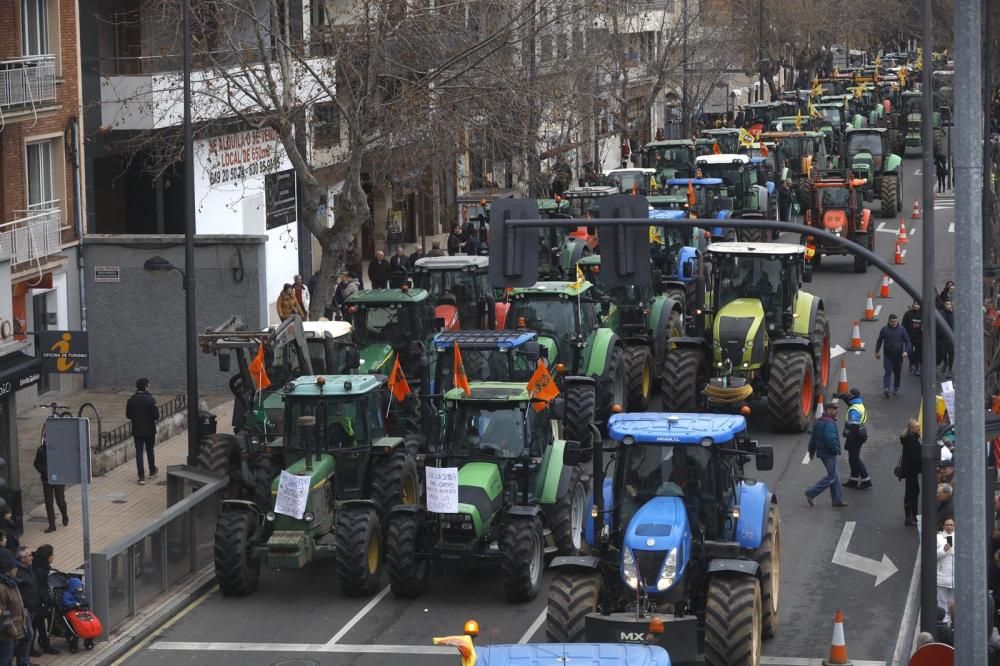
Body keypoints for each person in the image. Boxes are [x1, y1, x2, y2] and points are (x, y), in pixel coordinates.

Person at [805, 402, 848, 508]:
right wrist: (836, 450)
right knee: (832, 476)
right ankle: (811, 492)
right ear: (827, 410)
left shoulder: (819, 422)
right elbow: (830, 439)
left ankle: (837, 500)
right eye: (833, 409)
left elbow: (813, 439)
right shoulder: (829, 423)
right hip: (828, 453)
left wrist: (811, 451)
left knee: (835, 475)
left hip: (823, 452)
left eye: (836, 409)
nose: (836, 411)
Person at [125, 378, 160, 486]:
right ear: (146, 386)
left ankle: (141, 476)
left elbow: (128, 415)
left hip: (137, 430)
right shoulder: (151, 400)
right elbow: (156, 416)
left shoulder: (131, 400)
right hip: (149, 430)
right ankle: (152, 470)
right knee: (150, 450)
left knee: (139, 452)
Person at [33, 432, 67, 534]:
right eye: (45, 438)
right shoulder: (41, 450)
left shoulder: (59, 450)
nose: (46, 440)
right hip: (46, 479)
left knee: (60, 500)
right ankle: (52, 524)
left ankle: (64, 515)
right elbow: (36, 463)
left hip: (58, 479)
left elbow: (64, 462)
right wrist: (44, 471)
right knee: (48, 502)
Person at [839, 388, 871, 489]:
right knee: (852, 459)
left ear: (852, 397)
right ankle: (853, 480)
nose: (847, 395)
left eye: (849, 394)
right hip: (861, 434)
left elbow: (854, 428)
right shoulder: (859, 404)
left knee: (855, 459)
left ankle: (866, 480)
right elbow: (849, 402)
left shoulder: (854, 410)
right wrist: (841, 396)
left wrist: (848, 442)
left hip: (856, 436)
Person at [0, 549, 27, 666]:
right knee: (6, 659)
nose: (16, 569)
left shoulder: (12, 583)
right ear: (7, 571)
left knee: (10, 657)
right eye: (14, 568)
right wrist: (11, 629)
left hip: (15, 631)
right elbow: (2, 612)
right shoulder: (2, 588)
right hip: (6, 633)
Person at [874, 313, 911, 397]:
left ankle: (896, 388)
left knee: (897, 374)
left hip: (898, 357)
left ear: (897, 321)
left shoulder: (902, 330)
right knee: (888, 372)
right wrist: (877, 352)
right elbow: (879, 340)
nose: (894, 323)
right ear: (888, 321)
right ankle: (886, 388)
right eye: (892, 321)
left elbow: (907, 342)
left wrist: (906, 351)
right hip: (888, 357)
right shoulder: (884, 330)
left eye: (895, 321)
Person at [30, 545, 56, 655]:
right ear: (48, 557)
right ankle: (31, 649)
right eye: (52, 555)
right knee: (35, 625)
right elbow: (41, 588)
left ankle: (45, 644)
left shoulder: (39, 566)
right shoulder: (40, 571)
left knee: (40, 624)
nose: (53, 557)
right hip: (37, 602)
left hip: (38, 601)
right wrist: (46, 601)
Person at [14, 547, 38, 661]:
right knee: (27, 635)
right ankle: (23, 661)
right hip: (25, 609)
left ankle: (26, 660)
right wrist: (26, 605)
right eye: (29, 555)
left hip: (32, 607)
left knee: (29, 635)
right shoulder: (19, 573)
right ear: (22, 559)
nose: (31, 557)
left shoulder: (29, 568)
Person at [900, 419, 922, 526]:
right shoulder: (913, 441)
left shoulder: (908, 438)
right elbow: (916, 458)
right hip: (912, 471)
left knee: (911, 492)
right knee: (913, 493)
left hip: (908, 470)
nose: (919, 428)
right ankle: (911, 516)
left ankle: (911, 516)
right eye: (917, 427)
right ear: (912, 429)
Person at [937, 517, 956, 622]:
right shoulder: (938, 537)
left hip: (955, 578)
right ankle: (943, 623)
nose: (949, 526)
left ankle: (952, 623)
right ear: (944, 526)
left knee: (953, 603)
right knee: (942, 601)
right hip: (942, 577)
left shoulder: (959, 537)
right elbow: (934, 555)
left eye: (951, 525)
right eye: (947, 525)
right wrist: (943, 550)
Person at [901, 300, 924, 376]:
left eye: (918, 304)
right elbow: (903, 325)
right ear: (913, 304)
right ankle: (911, 362)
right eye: (915, 304)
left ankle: (917, 367)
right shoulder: (908, 314)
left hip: (920, 337)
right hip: (909, 337)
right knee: (909, 351)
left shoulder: (923, 314)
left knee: (918, 353)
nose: (916, 305)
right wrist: (904, 336)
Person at [938, 300, 955, 378]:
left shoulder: (954, 314)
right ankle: (945, 363)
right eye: (946, 304)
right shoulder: (941, 313)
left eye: (949, 304)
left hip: (952, 338)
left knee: (951, 354)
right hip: (943, 337)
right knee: (943, 353)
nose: (948, 305)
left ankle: (950, 369)